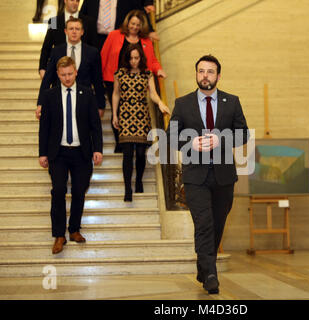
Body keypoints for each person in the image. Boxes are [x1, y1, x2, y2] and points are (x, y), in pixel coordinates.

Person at [166, 55, 249, 294]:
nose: (205, 75)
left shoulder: (232, 102)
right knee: (204, 223)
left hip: (224, 175)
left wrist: (221, 138)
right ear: (196, 74)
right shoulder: (183, 103)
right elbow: (172, 136)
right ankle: (211, 274)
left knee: (218, 223)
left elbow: (243, 134)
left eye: (210, 72)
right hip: (195, 176)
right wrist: (191, 142)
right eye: (201, 71)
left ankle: (203, 265)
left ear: (218, 76)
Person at [38, 56, 103, 255]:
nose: (67, 78)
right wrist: (42, 153)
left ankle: (74, 229)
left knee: (78, 191)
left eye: (70, 74)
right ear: (58, 75)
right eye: (63, 75)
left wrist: (97, 149)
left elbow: (95, 125)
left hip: (81, 152)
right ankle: (59, 235)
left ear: (75, 72)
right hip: (58, 153)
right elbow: (44, 127)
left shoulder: (87, 93)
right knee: (58, 191)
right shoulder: (50, 96)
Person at [101, 9, 166, 153]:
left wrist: (159, 70)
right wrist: (98, 77)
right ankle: (121, 141)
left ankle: (138, 140)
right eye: (132, 23)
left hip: (138, 82)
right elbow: (103, 56)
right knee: (117, 110)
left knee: (138, 111)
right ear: (127, 23)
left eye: (138, 24)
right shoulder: (114, 35)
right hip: (115, 80)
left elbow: (152, 60)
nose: (135, 27)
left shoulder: (146, 41)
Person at [112, 43, 169, 201]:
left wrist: (160, 103)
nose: (134, 61)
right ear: (127, 58)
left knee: (141, 153)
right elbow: (116, 94)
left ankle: (138, 181)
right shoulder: (120, 73)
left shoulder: (147, 74)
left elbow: (153, 94)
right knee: (128, 154)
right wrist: (115, 115)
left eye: (136, 58)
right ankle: (127, 189)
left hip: (141, 115)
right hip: (125, 114)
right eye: (131, 58)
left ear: (141, 58)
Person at [36, 17, 105, 120]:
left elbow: (97, 80)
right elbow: (47, 79)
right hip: (60, 99)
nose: (74, 32)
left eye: (77, 29)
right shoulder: (56, 51)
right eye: (71, 28)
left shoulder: (92, 52)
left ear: (82, 32)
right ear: (65, 31)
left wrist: (101, 105)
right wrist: (40, 103)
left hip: (84, 101)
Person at [39, 0, 98, 80]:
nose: (75, 3)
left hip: (83, 74)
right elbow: (46, 47)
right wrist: (42, 69)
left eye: (77, 1)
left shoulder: (89, 22)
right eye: (72, 0)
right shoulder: (53, 21)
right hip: (59, 74)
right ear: (65, 1)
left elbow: (94, 47)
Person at [80, 0, 158, 50]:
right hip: (95, 40)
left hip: (117, 40)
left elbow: (139, 11)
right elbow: (82, 16)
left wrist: (150, 31)